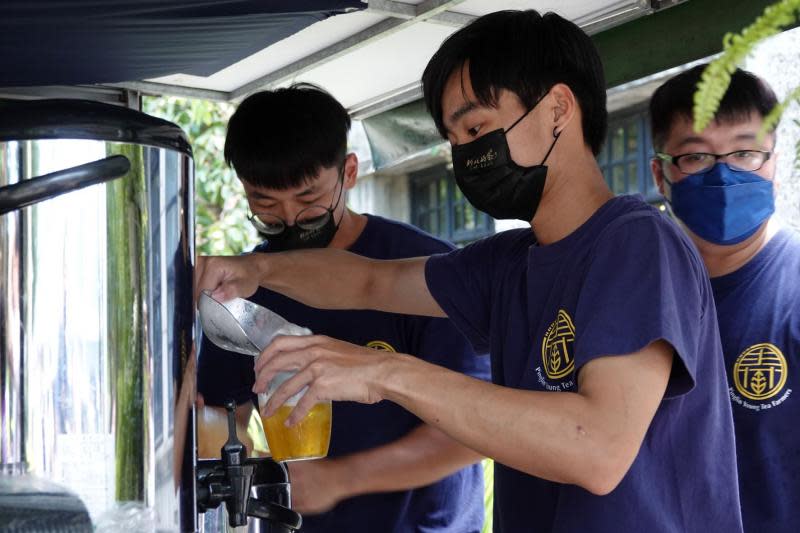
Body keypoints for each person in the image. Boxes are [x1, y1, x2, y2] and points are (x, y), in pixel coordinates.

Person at [196, 11, 744, 532]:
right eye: (454, 141)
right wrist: (256, 268)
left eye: (476, 127)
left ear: (558, 108)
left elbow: (596, 448)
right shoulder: (509, 263)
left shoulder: (634, 241)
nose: (465, 155)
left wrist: (382, 372)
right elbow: (368, 280)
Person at [196, 83, 489, 533]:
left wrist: (340, 479)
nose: (290, 220)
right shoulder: (241, 292)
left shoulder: (423, 274)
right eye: (265, 204)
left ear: (349, 172)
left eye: (310, 199)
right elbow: (224, 416)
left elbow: (475, 432)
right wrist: (200, 423)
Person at [649, 65, 799, 532]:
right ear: (661, 175)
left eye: (746, 152)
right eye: (696, 157)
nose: (726, 174)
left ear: (775, 162)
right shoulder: (639, 295)